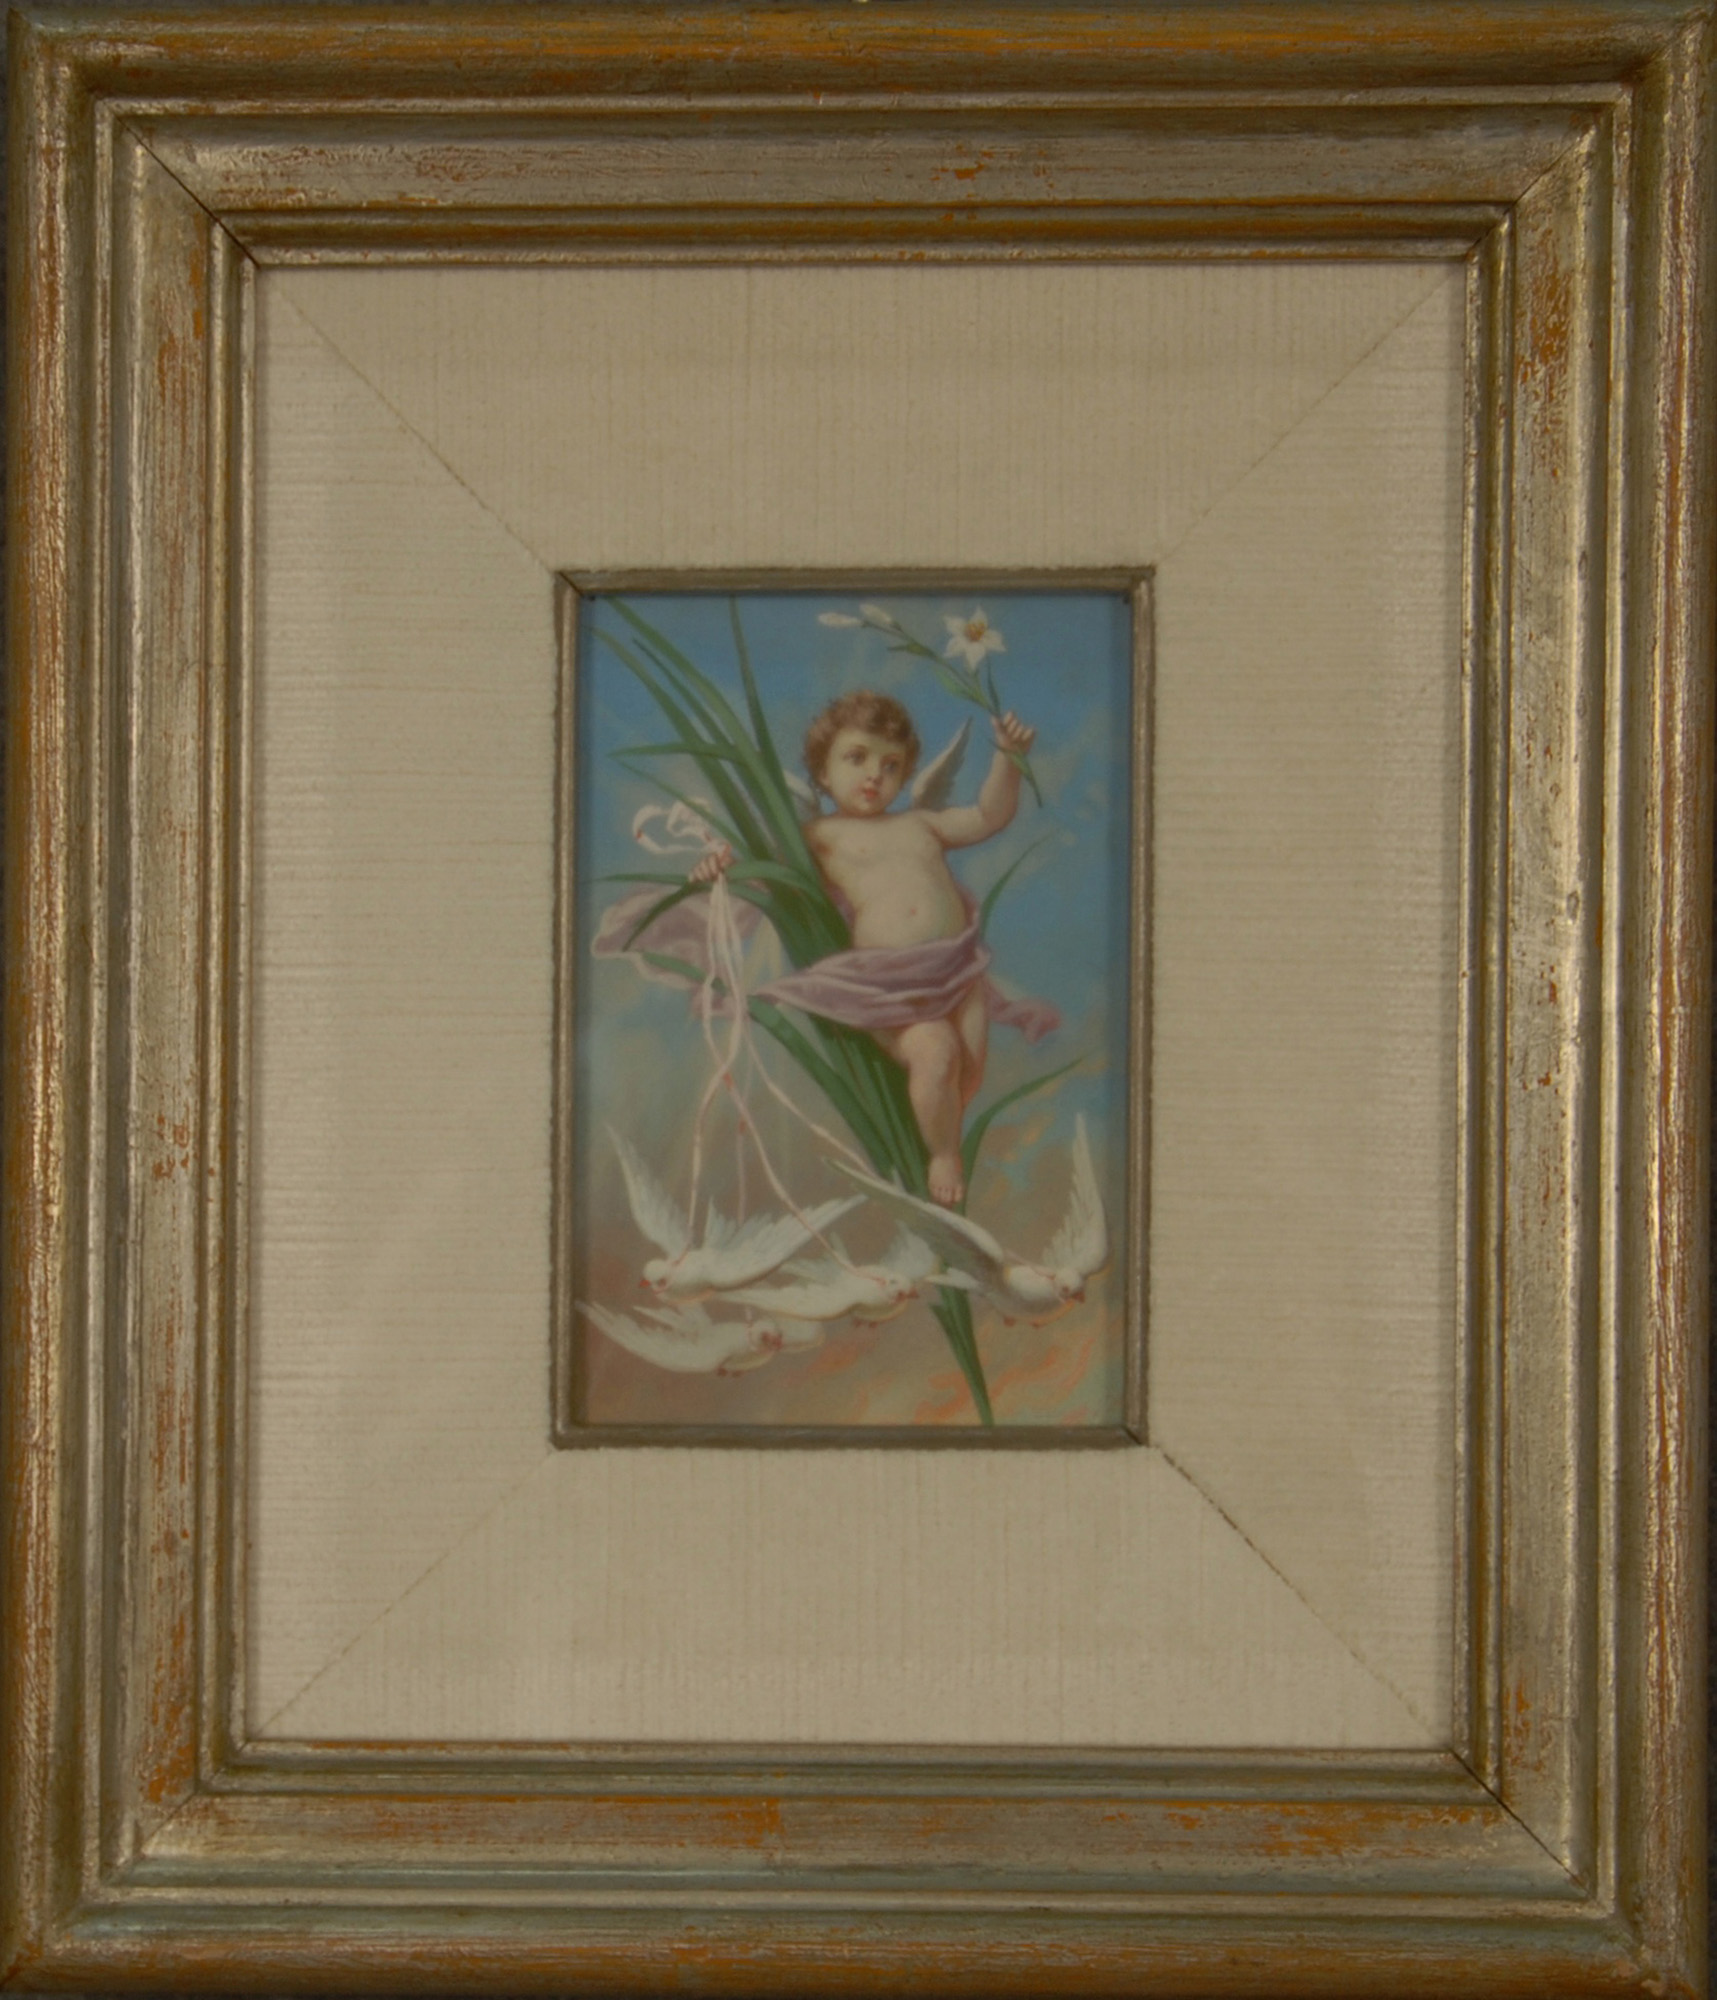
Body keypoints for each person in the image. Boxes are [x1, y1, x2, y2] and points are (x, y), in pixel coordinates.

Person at [691, 690, 1048, 1207]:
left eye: (890, 765)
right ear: (822, 771)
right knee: (935, 1051)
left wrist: (1008, 758)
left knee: (966, 1074)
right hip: (889, 988)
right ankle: (942, 1154)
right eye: (856, 758)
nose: (874, 775)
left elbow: (989, 816)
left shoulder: (921, 823)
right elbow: (769, 873)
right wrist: (723, 865)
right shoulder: (819, 834)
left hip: (956, 972)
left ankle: (934, 1129)